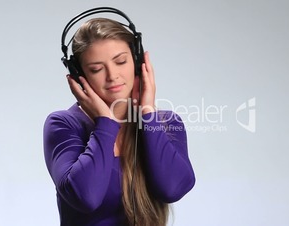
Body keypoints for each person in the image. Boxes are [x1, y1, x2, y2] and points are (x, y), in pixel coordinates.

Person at [43, 17, 195, 226]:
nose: (112, 75)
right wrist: (105, 122)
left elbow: (172, 189)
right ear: (79, 76)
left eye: (121, 61)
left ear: (137, 61)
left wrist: (148, 113)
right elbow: (86, 196)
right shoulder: (64, 124)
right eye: (97, 69)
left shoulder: (166, 122)